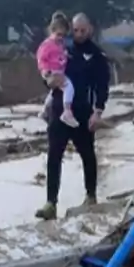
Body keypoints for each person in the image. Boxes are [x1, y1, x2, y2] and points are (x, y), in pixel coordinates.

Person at [37, 13, 110, 219]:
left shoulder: (97, 56)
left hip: (82, 113)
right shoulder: (62, 48)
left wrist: (97, 112)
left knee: (87, 154)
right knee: (53, 156)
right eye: (75, 30)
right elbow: (48, 67)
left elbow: (102, 87)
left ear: (90, 30)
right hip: (59, 110)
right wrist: (47, 79)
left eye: (82, 30)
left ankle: (91, 195)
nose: (78, 34)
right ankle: (51, 203)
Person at [36, 12, 77, 127]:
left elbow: (60, 55)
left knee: (53, 93)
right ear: (52, 30)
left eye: (63, 35)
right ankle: (67, 111)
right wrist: (45, 72)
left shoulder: (60, 44)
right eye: (59, 34)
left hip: (59, 71)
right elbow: (41, 59)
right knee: (69, 87)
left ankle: (44, 111)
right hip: (53, 72)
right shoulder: (47, 45)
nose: (61, 37)